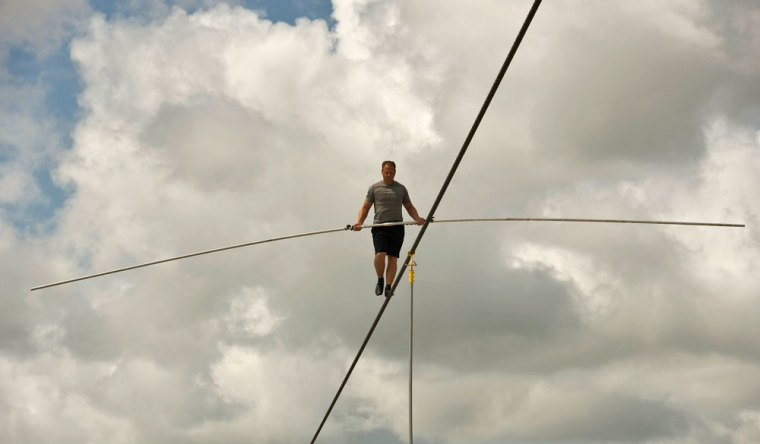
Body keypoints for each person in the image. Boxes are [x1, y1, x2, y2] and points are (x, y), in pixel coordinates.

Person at [353, 161, 425, 297]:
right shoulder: (374, 188)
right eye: (386, 172)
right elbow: (365, 207)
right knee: (380, 253)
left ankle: (388, 285)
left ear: (395, 172)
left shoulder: (401, 189)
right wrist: (359, 222)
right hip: (380, 226)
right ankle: (380, 280)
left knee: (393, 258)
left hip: (397, 227)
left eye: (391, 172)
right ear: (382, 172)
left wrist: (417, 218)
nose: (389, 175)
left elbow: (409, 206)